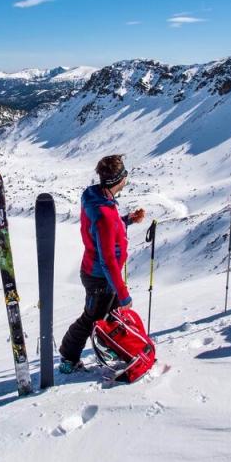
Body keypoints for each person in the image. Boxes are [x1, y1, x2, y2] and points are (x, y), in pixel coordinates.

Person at [58, 154, 146, 373]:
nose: (126, 177)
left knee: (113, 315)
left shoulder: (96, 197)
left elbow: (103, 229)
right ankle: (68, 358)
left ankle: (116, 348)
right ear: (117, 179)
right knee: (92, 319)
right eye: (124, 174)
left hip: (100, 274)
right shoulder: (104, 213)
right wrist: (124, 294)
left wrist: (127, 220)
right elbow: (108, 260)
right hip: (100, 277)